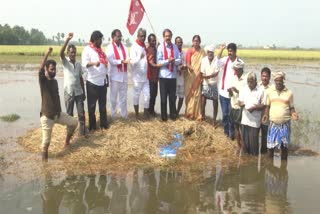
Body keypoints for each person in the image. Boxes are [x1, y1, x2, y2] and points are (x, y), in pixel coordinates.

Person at [39, 47, 78, 161]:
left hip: (58, 115)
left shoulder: (55, 81)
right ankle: (44, 164)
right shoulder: (43, 81)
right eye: (51, 69)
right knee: (46, 143)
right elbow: (40, 69)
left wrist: (59, 112)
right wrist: (47, 53)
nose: (53, 71)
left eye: (55, 69)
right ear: (46, 69)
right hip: (47, 117)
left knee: (74, 122)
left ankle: (66, 142)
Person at [262, 71, 299, 161]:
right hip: (273, 124)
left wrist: (294, 113)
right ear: (274, 81)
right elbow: (267, 106)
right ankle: (270, 167)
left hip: (285, 125)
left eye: (280, 80)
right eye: (276, 80)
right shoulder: (269, 91)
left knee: (284, 148)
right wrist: (266, 115)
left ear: (283, 81)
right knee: (270, 148)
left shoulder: (289, 93)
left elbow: (291, 107)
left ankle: (283, 168)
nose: (278, 82)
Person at [60, 32, 86, 136]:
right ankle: (69, 134)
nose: (73, 54)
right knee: (69, 115)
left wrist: (84, 92)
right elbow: (61, 53)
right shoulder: (65, 62)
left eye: (74, 52)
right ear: (68, 53)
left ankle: (82, 133)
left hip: (79, 92)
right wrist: (67, 40)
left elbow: (81, 78)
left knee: (81, 114)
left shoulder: (78, 65)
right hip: (69, 92)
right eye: (71, 52)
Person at [81, 30, 109, 131]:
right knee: (92, 106)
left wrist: (107, 78)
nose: (101, 41)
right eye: (100, 39)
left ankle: (103, 124)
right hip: (92, 82)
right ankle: (92, 126)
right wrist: (93, 63)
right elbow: (84, 64)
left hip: (102, 82)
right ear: (95, 40)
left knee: (103, 106)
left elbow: (105, 66)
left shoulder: (100, 51)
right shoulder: (87, 49)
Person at [157, 29, 181, 121]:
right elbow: (158, 61)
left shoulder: (175, 47)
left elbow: (179, 60)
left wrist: (174, 60)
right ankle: (164, 117)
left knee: (172, 98)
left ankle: (172, 116)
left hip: (172, 76)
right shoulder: (160, 47)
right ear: (163, 37)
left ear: (171, 36)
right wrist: (168, 61)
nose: (167, 37)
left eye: (169, 36)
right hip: (163, 76)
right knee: (163, 99)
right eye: (166, 36)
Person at [239, 72, 265, 155]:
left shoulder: (261, 90)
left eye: (251, 82)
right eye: (248, 81)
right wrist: (242, 104)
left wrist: (254, 108)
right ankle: (246, 162)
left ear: (256, 81)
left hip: (255, 122)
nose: (249, 84)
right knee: (245, 145)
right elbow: (240, 102)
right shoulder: (243, 89)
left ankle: (253, 163)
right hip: (245, 120)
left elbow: (263, 105)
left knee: (254, 146)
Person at [106, 29, 130, 119]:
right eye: (118, 36)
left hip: (123, 75)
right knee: (113, 98)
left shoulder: (124, 46)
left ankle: (124, 116)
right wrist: (121, 61)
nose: (120, 38)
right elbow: (111, 61)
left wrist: (127, 60)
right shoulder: (110, 47)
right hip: (115, 76)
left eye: (120, 36)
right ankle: (113, 116)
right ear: (113, 37)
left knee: (124, 97)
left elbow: (127, 57)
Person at [218, 43, 239, 140]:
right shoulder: (225, 60)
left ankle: (232, 134)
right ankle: (226, 133)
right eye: (228, 51)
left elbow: (241, 77)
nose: (229, 53)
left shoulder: (239, 62)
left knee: (232, 115)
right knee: (225, 114)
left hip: (233, 94)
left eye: (231, 51)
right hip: (223, 92)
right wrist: (221, 50)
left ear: (235, 52)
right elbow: (217, 62)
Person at [184, 35, 206, 120]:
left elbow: (205, 64)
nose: (196, 42)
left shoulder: (203, 52)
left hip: (199, 76)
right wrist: (190, 67)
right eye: (194, 41)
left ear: (200, 42)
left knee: (197, 95)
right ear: (192, 42)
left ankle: (196, 114)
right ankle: (189, 113)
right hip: (191, 75)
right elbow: (188, 63)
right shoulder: (190, 51)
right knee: (190, 94)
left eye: (197, 41)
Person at [200, 44, 222, 127]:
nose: (210, 54)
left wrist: (208, 76)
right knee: (203, 99)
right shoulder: (204, 60)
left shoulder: (217, 60)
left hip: (214, 83)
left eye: (211, 52)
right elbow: (202, 73)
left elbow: (216, 73)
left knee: (215, 101)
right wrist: (208, 76)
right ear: (207, 52)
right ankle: (202, 117)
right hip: (205, 83)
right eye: (208, 52)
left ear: (213, 53)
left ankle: (214, 120)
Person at [130, 28, 149, 118]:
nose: (143, 38)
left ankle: (145, 115)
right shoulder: (134, 46)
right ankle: (137, 115)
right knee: (136, 96)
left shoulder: (144, 46)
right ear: (137, 36)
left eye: (144, 36)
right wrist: (139, 57)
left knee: (147, 96)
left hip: (145, 77)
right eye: (141, 36)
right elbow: (132, 62)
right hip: (137, 77)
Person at [228, 59, 246, 148]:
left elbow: (247, 94)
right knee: (236, 127)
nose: (235, 71)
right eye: (234, 69)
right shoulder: (233, 78)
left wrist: (237, 91)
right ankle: (239, 145)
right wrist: (230, 91)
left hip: (241, 107)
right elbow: (230, 95)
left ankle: (244, 145)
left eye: (236, 69)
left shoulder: (246, 79)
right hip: (233, 105)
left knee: (242, 128)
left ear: (241, 69)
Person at [146, 33, 161, 117]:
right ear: (148, 41)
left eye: (154, 40)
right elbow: (151, 62)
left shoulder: (154, 48)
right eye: (152, 40)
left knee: (154, 94)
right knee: (152, 94)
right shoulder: (150, 49)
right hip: (151, 75)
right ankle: (150, 111)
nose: (153, 42)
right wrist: (157, 65)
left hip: (155, 76)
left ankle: (151, 110)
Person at [259, 67, 272, 154]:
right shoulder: (256, 85)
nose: (264, 78)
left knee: (264, 136)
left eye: (266, 76)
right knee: (254, 136)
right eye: (263, 76)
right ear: (261, 76)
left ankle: (263, 154)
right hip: (255, 115)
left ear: (269, 77)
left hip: (266, 116)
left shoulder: (272, 89)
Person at [175, 36, 187, 116]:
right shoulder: (172, 53)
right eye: (178, 42)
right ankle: (173, 111)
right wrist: (177, 67)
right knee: (174, 96)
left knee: (181, 96)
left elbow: (186, 64)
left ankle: (177, 112)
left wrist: (183, 66)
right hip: (174, 77)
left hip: (182, 77)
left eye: (180, 42)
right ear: (175, 43)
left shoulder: (184, 53)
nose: (179, 44)